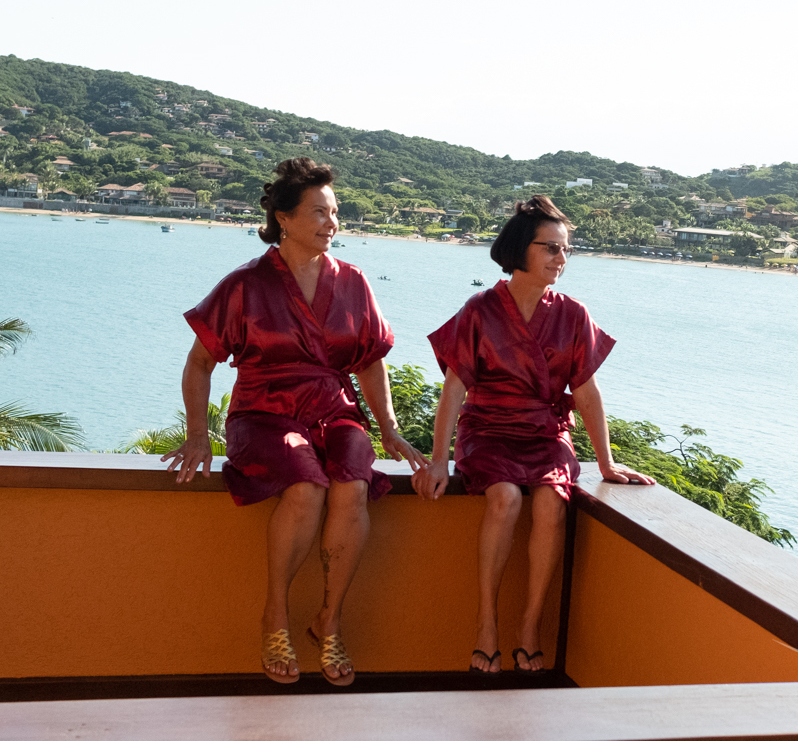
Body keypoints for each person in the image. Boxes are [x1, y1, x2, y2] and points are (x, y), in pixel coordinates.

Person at [164, 158, 428, 686]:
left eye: (335, 212)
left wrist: (389, 426)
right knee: (305, 486)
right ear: (283, 218)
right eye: (319, 212)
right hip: (263, 411)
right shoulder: (245, 284)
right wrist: (198, 435)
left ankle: (329, 618)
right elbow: (199, 363)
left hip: (334, 409)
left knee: (352, 483)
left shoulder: (353, 282)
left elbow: (370, 361)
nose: (333, 223)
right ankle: (276, 615)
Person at [414, 196, 654, 675]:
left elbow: (587, 395)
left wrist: (606, 463)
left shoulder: (573, 314)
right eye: (551, 248)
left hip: (545, 432)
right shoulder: (480, 310)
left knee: (550, 502)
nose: (561, 259)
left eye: (566, 250)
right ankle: (486, 623)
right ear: (521, 249)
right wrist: (440, 459)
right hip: (488, 428)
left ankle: (529, 625)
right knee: (504, 497)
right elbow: (454, 390)